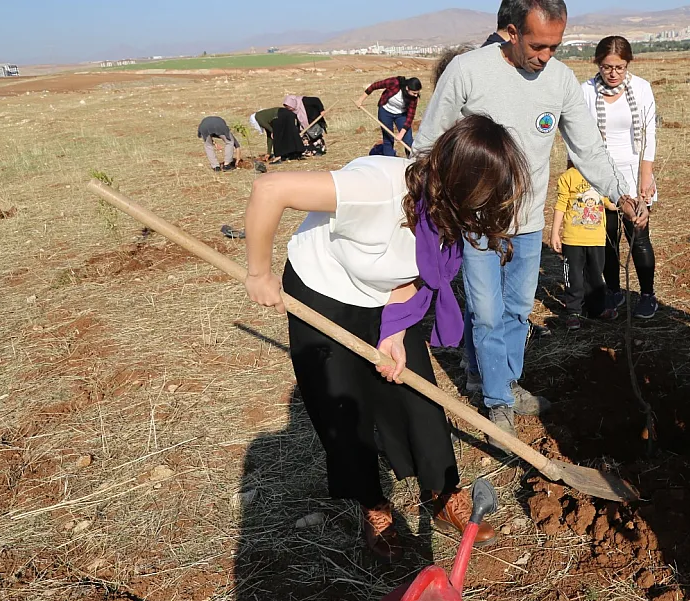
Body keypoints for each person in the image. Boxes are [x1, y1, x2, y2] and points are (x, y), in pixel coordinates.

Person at [243, 115, 528, 562]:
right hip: (323, 291)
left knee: (418, 396)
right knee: (340, 404)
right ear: (456, 183)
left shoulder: (446, 214)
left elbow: (412, 270)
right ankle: (374, 507)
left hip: (387, 297)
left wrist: (394, 331)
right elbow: (270, 189)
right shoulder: (376, 187)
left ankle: (441, 492)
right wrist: (258, 272)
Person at [416, 0, 640, 448]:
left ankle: (504, 381)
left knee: (518, 311)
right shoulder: (467, 71)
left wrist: (621, 192)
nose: (546, 56)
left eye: (555, 46)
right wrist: (432, 206)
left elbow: (588, 148)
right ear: (511, 33)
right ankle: (497, 401)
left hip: (530, 220)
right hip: (479, 222)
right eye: (538, 45)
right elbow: (429, 144)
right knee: (487, 313)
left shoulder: (558, 81)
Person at [580, 36, 659, 319]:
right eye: (607, 67)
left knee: (638, 235)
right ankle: (614, 289)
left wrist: (645, 177)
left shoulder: (641, 89)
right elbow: (579, 139)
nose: (613, 73)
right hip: (599, 173)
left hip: (633, 169)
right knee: (606, 238)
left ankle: (647, 294)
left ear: (628, 64)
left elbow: (649, 134)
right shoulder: (586, 91)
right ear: (597, 64)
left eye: (620, 67)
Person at [551, 159, 617, 330]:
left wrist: (623, 204)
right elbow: (560, 205)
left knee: (596, 276)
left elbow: (608, 202)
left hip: (596, 239)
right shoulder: (568, 177)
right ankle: (574, 311)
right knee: (574, 276)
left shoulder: (600, 176)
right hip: (573, 239)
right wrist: (554, 233)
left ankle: (597, 308)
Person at [356, 76, 421, 157]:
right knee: (388, 139)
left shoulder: (414, 99)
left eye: (417, 93)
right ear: (407, 88)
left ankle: (412, 161)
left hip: (401, 115)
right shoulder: (394, 83)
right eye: (414, 93)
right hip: (385, 112)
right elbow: (374, 86)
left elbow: (410, 117)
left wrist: (401, 133)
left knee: (408, 140)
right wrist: (360, 100)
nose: (416, 95)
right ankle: (390, 161)